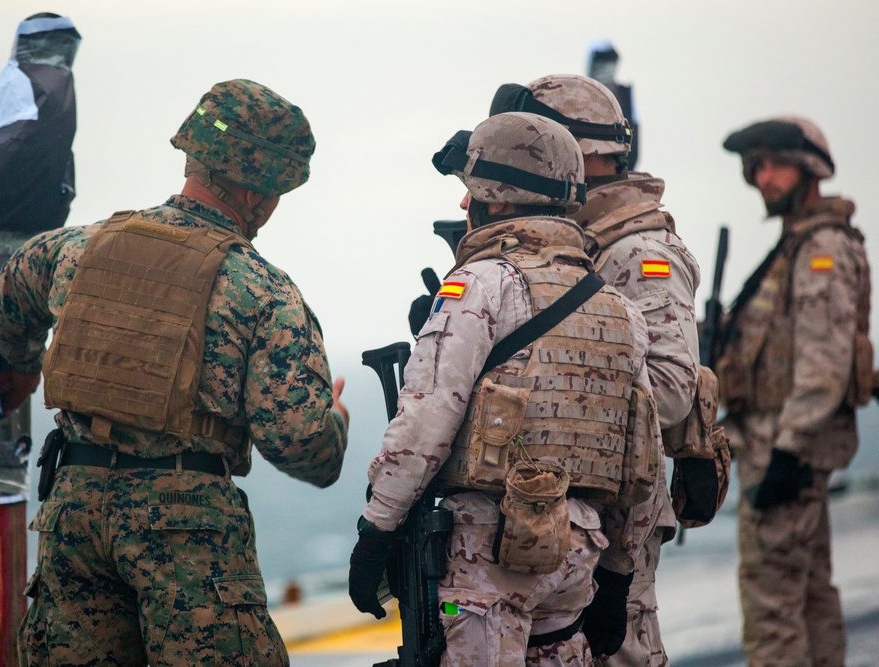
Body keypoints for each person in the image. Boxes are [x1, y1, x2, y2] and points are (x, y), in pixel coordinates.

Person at [0, 79, 349, 667]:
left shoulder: (73, 248)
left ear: (194, 158)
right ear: (261, 194)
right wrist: (334, 422)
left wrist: (23, 369)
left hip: (72, 516)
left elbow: (7, 309)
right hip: (187, 531)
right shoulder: (266, 292)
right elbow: (302, 445)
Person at [349, 111, 662, 666]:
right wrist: (618, 576)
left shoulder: (481, 283)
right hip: (578, 555)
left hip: (488, 556)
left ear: (497, 198)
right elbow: (643, 458)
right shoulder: (619, 309)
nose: (465, 207)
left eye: (472, 193)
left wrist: (376, 530)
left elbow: (425, 421)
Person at [489, 73, 703, 666]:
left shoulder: (638, 252)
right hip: (575, 505)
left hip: (622, 519)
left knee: (625, 654)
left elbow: (670, 392)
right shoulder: (584, 242)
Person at [719, 116, 872, 667]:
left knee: (772, 609)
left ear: (808, 169)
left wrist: (787, 451)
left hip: (784, 451)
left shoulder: (820, 250)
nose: (763, 177)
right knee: (809, 596)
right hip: (779, 447)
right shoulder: (798, 246)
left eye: (773, 164)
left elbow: (824, 365)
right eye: (755, 167)